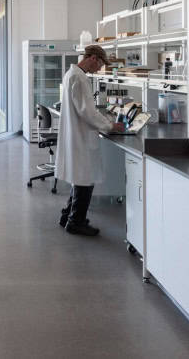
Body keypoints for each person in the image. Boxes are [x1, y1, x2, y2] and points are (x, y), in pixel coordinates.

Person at [55, 44, 125, 236]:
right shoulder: (79, 78)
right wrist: (110, 125)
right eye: (100, 64)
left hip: (76, 134)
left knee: (80, 178)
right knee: (85, 179)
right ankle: (75, 222)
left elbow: (85, 109)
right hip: (81, 136)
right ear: (93, 58)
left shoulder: (72, 74)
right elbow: (87, 112)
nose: (100, 68)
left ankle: (67, 216)